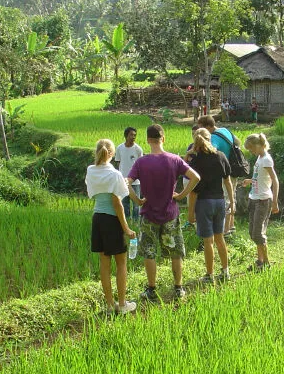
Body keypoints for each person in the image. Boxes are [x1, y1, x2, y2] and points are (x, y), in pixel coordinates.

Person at [127, 124, 200, 301]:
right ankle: (178, 288)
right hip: (170, 214)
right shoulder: (174, 160)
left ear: (147, 140)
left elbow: (126, 182)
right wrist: (181, 195)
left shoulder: (141, 162)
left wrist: (137, 200)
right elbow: (196, 177)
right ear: (163, 138)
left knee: (149, 252)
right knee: (175, 252)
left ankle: (151, 290)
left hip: (149, 214)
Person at [85, 139, 138, 314]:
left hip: (98, 219)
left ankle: (109, 305)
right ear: (112, 153)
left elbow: (97, 192)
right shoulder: (115, 174)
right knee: (121, 263)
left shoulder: (91, 171)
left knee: (104, 263)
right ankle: (122, 304)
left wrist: (121, 182)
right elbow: (117, 203)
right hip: (112, 220)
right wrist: (126, 228)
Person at [187, 127, 232, 283]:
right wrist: (232, 201)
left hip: (204, 203)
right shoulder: (220, 156)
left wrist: (190, 212)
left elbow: (194, 192)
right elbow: (227, 181)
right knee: (220, 238)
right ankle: (226, 272)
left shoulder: (196, 161)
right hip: (219, 201)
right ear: (210, 139)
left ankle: (209, 275)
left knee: (208, 241)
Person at [241, 133, 279, 272]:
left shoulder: (267, 160)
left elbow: (274, 180)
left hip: (263, 200)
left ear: (258, 145)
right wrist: (250, 181)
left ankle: (266, 263)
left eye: (251, 149)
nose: (251, 152)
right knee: (252, 232)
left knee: (258, 233)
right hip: (254, 198)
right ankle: (260, 261)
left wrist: (275, 202)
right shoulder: (259, 158)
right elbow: (261, 178)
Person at [198, 114, 238, 236]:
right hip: (233, 169)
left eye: (202, 129)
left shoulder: (213, 138)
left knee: (225, 199)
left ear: (209, 127)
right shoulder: (224, 130)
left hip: (222, 171)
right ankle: (231, 226)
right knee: (232, 196)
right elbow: (237, 141)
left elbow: (210, 152)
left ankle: (225, 231)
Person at [113, 127, 143, 223]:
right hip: (123, 181)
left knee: (136, 205)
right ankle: (126, 223)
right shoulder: (120, 148)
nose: (133, 137)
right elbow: (118, 163)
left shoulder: (138, 149)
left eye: (135, 135)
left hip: (135, 182)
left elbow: (140, 166)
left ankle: (135, 223)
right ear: (126, 136)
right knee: (124, 204)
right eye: (131, 135)